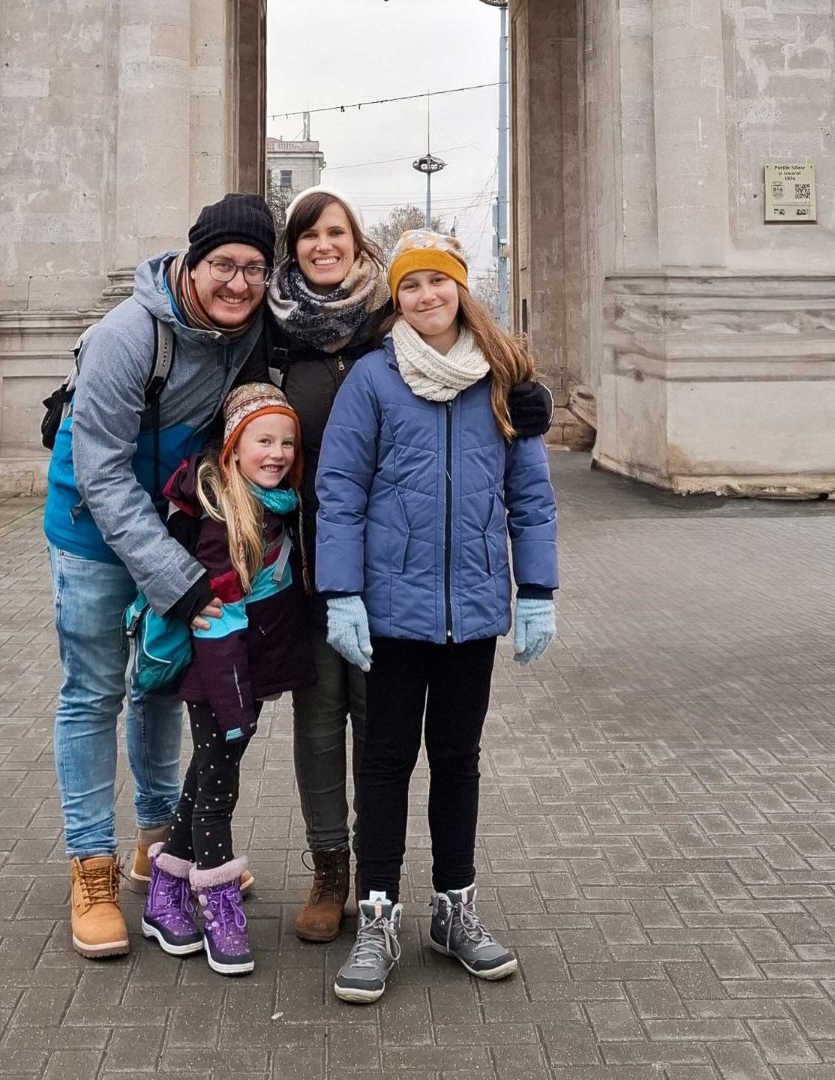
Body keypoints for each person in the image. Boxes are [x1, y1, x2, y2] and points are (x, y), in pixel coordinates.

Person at [267, 187, 556, 943]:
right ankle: (375, 912)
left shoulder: (501, 376)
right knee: (383, 759)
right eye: (412, 285)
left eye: (438, 280)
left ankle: (454, 909)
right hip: (388, 606)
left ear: (461, 287)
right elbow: (340, 490)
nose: (427, 295)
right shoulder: (374, 373)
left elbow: (530, 495)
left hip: (473, 610)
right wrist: (343, 591)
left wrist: (538, 588)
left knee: (458, 761)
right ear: (394, 299)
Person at [42, 193, 277, 959]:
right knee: (93, 693)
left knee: (157, 686)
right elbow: (103, 475)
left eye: (254, 269)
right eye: (224, 265)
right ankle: (91, 866)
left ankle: (155, 843)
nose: (239, 283)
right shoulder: (125, 337)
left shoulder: (245, 330)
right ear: (192, 262)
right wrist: (180, 580)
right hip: (90, 529)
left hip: (169, 527)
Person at [141, 383, 315, 975]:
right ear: (234, 447)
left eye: (287, 442)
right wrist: (236, 704)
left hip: (244, 674)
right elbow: (219, 623)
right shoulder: (227, 520)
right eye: (263, 441)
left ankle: (165, 893)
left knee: (205, 776)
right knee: (219, 789)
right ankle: (217, 902)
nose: (277, 453)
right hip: (219, 679)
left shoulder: (276, 505)